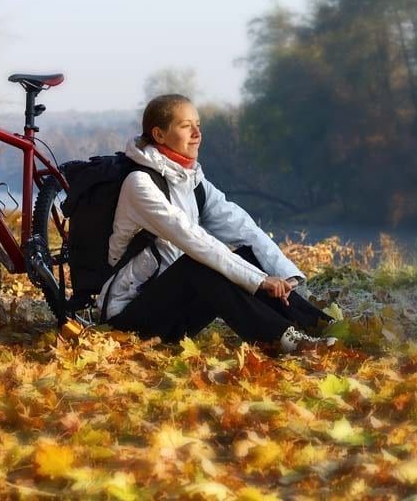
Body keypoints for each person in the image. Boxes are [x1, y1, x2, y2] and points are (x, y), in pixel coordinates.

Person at [98, 94, 335, 353]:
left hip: (176, 311)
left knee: (247, 253)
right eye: (185, 126)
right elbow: (193, 240)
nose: (197, 133)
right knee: (200, 262)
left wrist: (282, 275)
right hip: (129, 322)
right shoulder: (139, 184)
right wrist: (259, 280)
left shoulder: (192, 182)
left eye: (198, 124)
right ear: (159, 134)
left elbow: (243, 227)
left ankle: (318, 325)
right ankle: (283, 340)